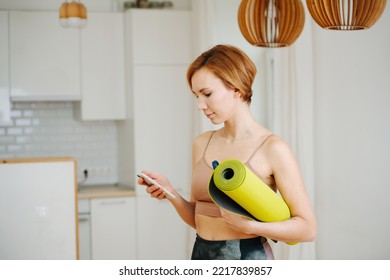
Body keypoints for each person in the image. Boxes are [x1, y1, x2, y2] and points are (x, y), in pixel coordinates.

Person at [138, 44, 316, 260]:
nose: (200, 105)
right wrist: (170, 193)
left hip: (247, 256)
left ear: (236, 88)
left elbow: (307, 229)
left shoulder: (273, 148)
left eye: (207, 94)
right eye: (196, 96)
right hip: (201, 253)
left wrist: (250, 226)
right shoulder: (201, 143)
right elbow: (198, 216)